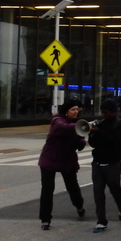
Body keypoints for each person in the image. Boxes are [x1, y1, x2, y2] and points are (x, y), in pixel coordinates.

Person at [38, 98, 87, 230]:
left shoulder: (77, 124)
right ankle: (45, 219)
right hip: (50, 159)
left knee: (72, 187)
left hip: (67, 160)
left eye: (77, 109)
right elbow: (62, 127)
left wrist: (81, 140)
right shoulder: (58, 120)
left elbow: (81, 143)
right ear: (66, 111)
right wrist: (79, 127)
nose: (76, 112)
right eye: (73, 109)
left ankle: (79, 206)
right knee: (47, 190)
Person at [88, 98, 121, 233]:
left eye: (106, 112)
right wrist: (91, 134)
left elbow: (114, 141)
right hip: (98, 162)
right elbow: (93, 144)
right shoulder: (100, 123)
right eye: (102, 112)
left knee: (114, 187)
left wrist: (98, 132)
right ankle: (101, 221)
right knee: (98, 192)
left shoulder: (119, 124)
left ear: (113, 112)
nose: (103, 115)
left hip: (112, 162)